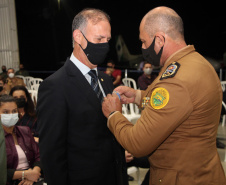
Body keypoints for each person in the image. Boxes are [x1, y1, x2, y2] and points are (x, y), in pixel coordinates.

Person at [102, 6, 226, 185]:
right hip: (204, 171)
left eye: (144, 42)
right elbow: (176, 105)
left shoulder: (175, 79)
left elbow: (138, 143)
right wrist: (137, 96)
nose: (143, 47)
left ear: (159, 39)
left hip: (181, 178)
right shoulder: (197, 63)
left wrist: (114, 115)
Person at [37, 8, 127, 185]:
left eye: (107, 40)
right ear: (78, 37)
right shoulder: (54, 86)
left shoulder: (106, 80)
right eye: (99, 39)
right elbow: (52, 153)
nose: (105, 45)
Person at [1, 94, 42, 185]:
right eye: (6, 112)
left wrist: (34, 173)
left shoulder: (25, 131)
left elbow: (39, 155)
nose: (11, 115)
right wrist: (25, 174)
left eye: (14, 111)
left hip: (33, 179)